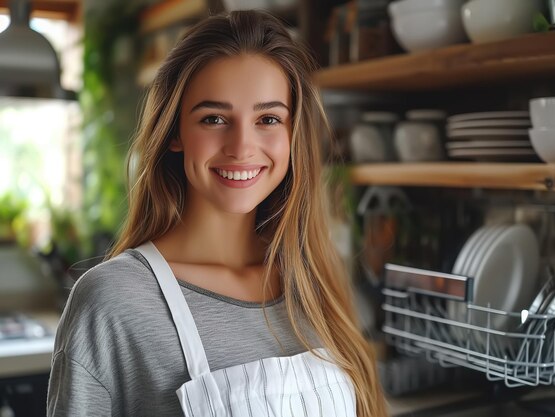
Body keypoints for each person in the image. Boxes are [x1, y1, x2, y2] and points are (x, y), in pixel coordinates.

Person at [47, 9, 388, 417]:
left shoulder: (312, 282)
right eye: (214, 118)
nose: (242, 146)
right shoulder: (113, 302)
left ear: (292, 134)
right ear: (175, 133)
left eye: (268, 119)